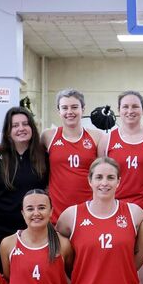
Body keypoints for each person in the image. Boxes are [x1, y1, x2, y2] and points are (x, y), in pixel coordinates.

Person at [0, 107, 49, 272]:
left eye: (25, 124)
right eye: (15, 125)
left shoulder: (43, 156)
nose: (21, 128)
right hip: (0, 229)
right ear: (8, 131)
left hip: (34, 229)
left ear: (32, 128)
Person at [101, 90, 143, 215]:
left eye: (135, 106)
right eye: (125, 107)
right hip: (119, 210)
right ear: (119, 110)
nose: (130, 111)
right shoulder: (106, 140)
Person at [43, 89, 103, 223]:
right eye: (65, 108)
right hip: (57, 211)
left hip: (88, 210)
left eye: (74, 107)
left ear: (83, 109)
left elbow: (103, 173)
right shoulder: (48, 136)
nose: (69, 112)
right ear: (59, 111)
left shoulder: (97, 137)